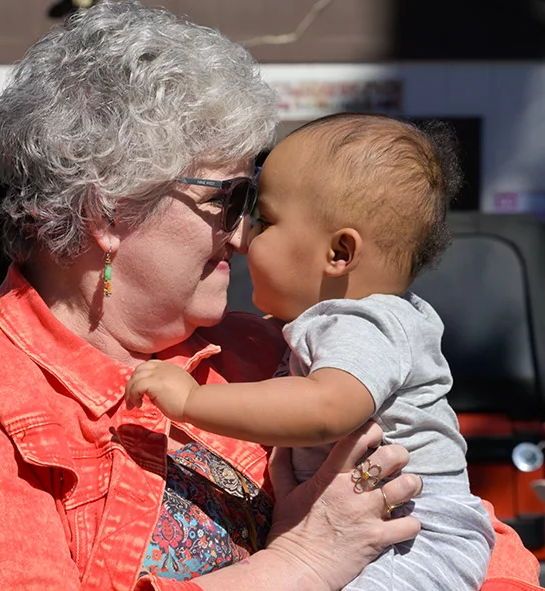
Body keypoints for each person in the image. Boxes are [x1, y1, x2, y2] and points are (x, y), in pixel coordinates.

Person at [0, 2, 541, 590]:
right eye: (229, 198)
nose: (244, 233)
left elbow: (478, 539)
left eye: (253, 201)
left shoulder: (264, 349)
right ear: (107, 214)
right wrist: (301, 563)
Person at [124, 113, 495, 589]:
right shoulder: (345, 324)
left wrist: (191, 402)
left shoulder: (364, 324)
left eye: (266, 219)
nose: (244, 236)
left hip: (416, 538)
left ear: (339, 254)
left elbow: (326, 408)